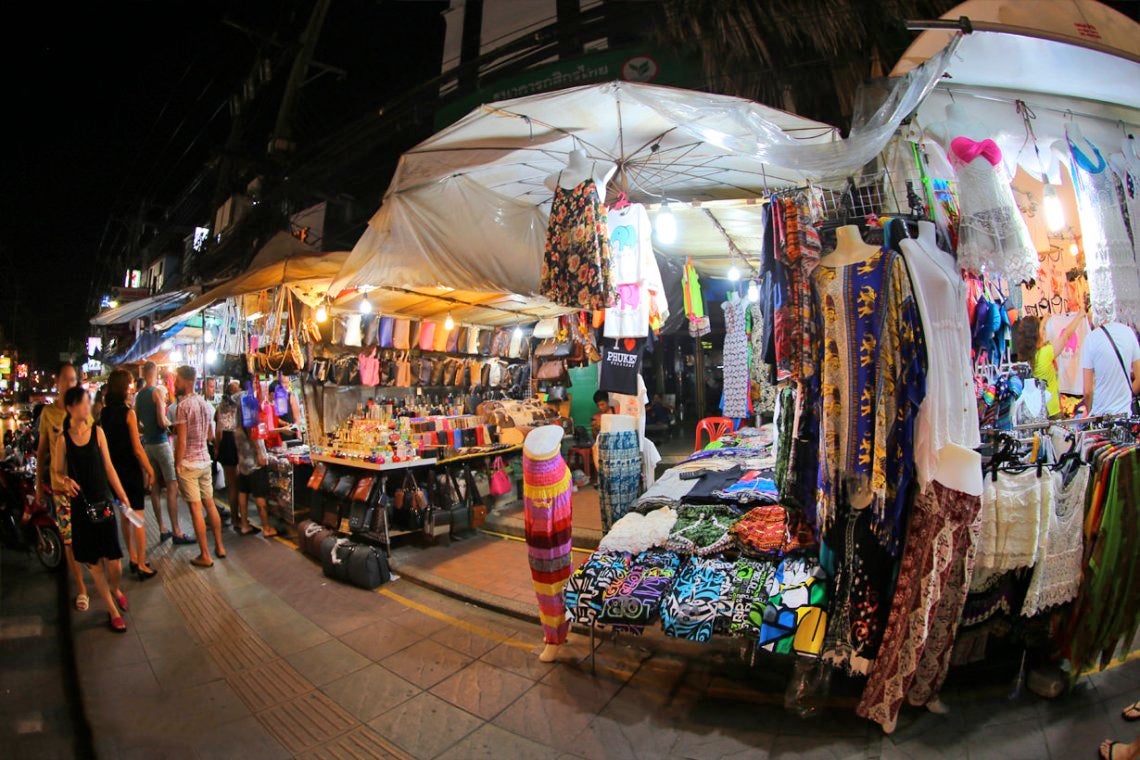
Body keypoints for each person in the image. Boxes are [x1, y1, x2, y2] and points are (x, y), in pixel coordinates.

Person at [52, 386, 133, 633]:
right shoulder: (63, 439)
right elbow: (55, 473)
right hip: (81, 508)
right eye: (82, 403)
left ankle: (115, 588)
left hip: (104, 502)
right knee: (94, 563)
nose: (87, 407)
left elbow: (108, 467)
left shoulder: (98, 432)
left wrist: (122, 495)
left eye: (88, 402)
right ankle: (112, 610)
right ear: (70, 408)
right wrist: (65, 481)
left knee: (115, 562)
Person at [36, 363, 89, 611]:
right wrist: (38, 485)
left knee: (88, 537)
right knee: (68, 540)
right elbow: (42, 453)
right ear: (57, 381)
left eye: (73, 380)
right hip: (60, 488)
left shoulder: (83, 411)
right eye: (66, 379)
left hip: (84, 487)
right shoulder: (48, 414)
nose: (70, 384)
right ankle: (81, 588)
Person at [100, 369, 157, 580]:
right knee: (138, 517)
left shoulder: (104, 413)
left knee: (126, 515)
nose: (132, 387)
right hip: (130, 471)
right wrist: (149, 469)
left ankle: (132, 557)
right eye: (131, 384)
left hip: (114, 472)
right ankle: (141, 563)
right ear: (124, 387)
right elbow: (137, 448)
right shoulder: (128, 413)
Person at [172, 366, 226, 567]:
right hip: (205, 460)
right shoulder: (204, 404)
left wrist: (177, 465)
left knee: (196, 508)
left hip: (190, 463)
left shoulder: (183, 406)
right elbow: (211, 436)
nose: (174, 384)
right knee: (210, 503)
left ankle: (205, 554)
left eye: (177, 380)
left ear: (186, 382)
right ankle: (220, 546)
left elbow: (182, 441)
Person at [135, 361, 192, 544]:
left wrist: (148, 430)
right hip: (160, 443)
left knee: (155, 487)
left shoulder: (139, 396)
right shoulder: (156, 392)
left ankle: (162, 528)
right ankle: (177, 530)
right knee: (172, 485)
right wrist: (172, 425)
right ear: (155, 372)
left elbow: (138, 426)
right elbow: (161, 420)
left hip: (148, 445)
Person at [1015, 312, 1085, 418]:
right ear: (1036, 334)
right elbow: (1065, 336)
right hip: (1052, 411)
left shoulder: (1029, 355)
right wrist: (1079, 316)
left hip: (1039, 410)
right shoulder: (1045, 353)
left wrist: (1043, 322)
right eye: (1042, 329)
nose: (1045, 332)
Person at [232, 391, 277, 537]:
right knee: (259, 494)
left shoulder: (236, 424)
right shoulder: (251, 423)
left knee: (243, 492)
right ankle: (266, 528)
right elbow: (256, 439)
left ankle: (244, 524)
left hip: (242, 463)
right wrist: (260, 454)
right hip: (254, 464)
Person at [1080, 318, 1140, 416]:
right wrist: (1126, 397)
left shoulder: (1091, 339)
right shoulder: (1128, 332)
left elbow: (1087, 391)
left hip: (1101, 415)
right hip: (1125, 414)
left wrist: (1090, 413)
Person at [215, 381, 241, 529]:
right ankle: (237, 518)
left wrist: (218, 448)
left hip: (227, 444)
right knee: (236, 485)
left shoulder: (222, 407)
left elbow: (218, 431)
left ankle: (235, 517)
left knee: (232, 485)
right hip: (237, 442)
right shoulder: (238, 406)